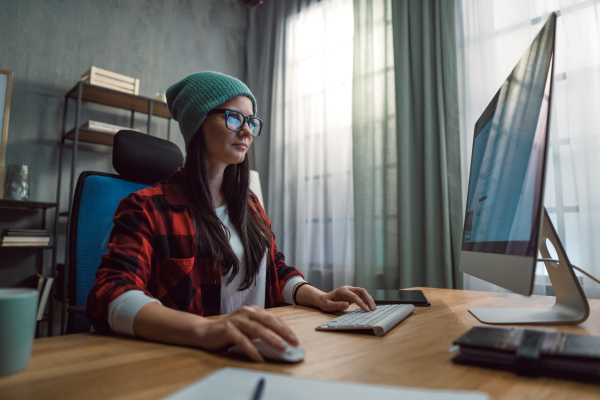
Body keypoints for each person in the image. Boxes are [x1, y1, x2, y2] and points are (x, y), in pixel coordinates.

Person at [86, 71, 376, 362]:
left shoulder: (249, 204)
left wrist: (320, 297)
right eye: (234, 118)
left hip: (256, 356)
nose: (247, 131)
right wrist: (206, 331)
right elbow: (111, 293)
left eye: (250, 121)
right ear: (199, 122)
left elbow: (275, 269)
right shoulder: (145, 207)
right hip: (186, 362)